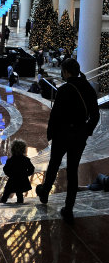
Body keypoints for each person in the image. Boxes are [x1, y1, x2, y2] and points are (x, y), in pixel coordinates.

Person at [35, 59, 100, 223]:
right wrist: (86, 131)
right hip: (79, 135)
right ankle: (68, 208)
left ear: (66, 72)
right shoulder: (88, 88)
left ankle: (44, 193)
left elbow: (55, 115)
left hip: (62, 134)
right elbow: (95, 115)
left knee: (54, 164)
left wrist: (50, 134)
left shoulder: (64, 90)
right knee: (73, 170)